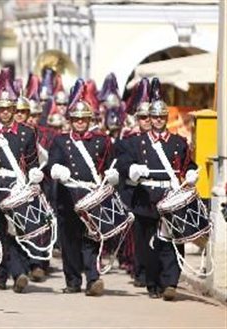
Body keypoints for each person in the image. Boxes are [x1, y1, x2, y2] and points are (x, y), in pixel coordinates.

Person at [118, 95, 197, 301]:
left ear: (166, 117)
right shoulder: (136, 142)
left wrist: (191, 173)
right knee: (147, 245)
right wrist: (132, 169)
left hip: (170, 196)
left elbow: (189, 163)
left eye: (162, 116)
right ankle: (153, 283)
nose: (158, 119)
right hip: (146, 198)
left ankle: (170, 282)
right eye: (154, 116)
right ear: (149, 118)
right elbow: (122, 163)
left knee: (172, 241)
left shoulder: (178, 142)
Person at [46, 80, 117, 296]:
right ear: (70, 120)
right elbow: (52, 162)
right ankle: (73, 281)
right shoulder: (60, 141)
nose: (79, 122)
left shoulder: (101, 140)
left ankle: (93, 279)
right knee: (69, 242)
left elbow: (110, 164)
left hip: (92, 197)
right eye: (75, 119)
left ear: (89, 120)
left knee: (92, 239)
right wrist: (57, 169)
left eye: (83, 119)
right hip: (68, 198)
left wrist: (114, 176)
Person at [0, 68, 41, 292]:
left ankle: (19, 273)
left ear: (14, 109)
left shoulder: (26, 132)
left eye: (8, 109)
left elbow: (32, 160)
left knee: (17, 231)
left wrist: (35, 175)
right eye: (1, 109)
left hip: (16, 186)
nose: (5, 113)